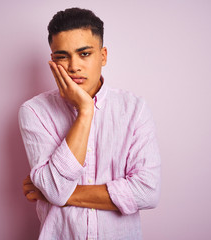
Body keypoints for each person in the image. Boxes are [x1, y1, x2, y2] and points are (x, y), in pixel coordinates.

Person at [19, 7, 161, 240]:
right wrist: (86, 111)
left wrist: (54, 192)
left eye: (84, 54)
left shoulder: (134, 109)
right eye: (62, 56)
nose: (74, 66)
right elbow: (55, 189)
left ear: (103, 56)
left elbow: (147, 192)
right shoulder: (34, 112)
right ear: (52, 61)